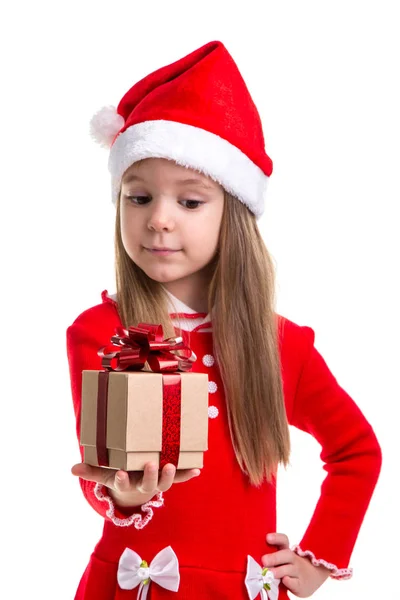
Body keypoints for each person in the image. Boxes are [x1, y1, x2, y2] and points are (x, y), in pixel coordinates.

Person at [66, 40, 382, 600]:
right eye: (138, 198)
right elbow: (102, 469)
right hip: (137, 582)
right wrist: (123, 495)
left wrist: (319, 560)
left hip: (243, 587)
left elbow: (357, 450)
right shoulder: (99, 331)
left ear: (232, 213)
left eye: (189, 202)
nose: (159, 220)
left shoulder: (281, 344)